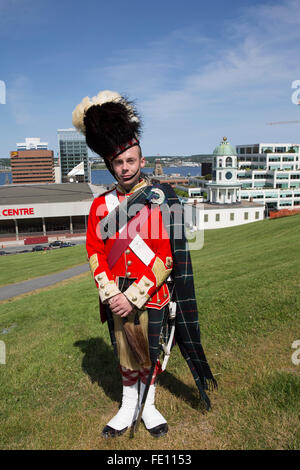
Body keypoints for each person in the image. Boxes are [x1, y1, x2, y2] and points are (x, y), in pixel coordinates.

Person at [72, 91, 217, 439]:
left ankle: (148, 405)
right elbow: (94, 252)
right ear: (110, 164)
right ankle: (126, 406)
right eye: (118, 163)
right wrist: (111, 294)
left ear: (141, 159)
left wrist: (135, 295)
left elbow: (168, 256)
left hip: (149, 294)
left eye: (131, 161)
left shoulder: (158, 199)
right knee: (125, 354)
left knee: (152, 353)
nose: (125, 168)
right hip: (115, 295)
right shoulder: (100, 207)